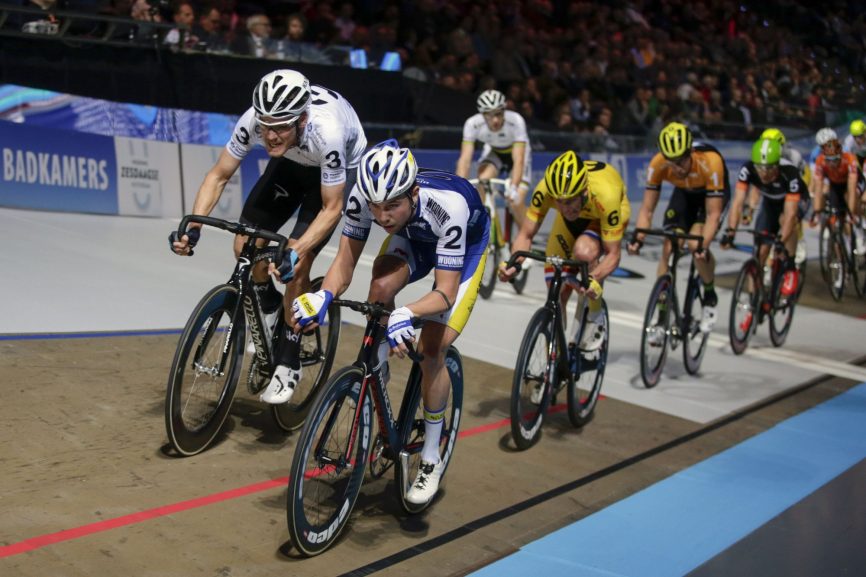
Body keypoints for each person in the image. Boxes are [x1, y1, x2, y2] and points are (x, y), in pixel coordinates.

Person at [291, 141, 489, 505]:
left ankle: (431, 455)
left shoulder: (449, 208)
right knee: (380, 287)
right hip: (415, 237)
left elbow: (444, 293)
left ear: (413, 193)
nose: (382, 217)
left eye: (392, 206)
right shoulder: (364, 197)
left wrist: (407, 312)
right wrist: (324, 296)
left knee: (432, 349)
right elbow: (345, 263)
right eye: (376, 207)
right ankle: (375, 371)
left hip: (463, 247)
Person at [170, 69, 367, 404]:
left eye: (280, 126)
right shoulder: (253, 121)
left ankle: (290, 359)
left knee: (296, 261)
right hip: (292, 163)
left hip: (333, 172)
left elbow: (332, 208)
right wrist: (194, 226)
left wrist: (296, 249)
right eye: (266, 126)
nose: (271, 135)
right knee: (244, 245)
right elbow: (218, 175)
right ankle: (270, 301)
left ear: (302, 119)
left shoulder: (327, 132)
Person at [500, 150, 630, 356]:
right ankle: (554, 364)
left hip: (600, 215)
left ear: (584, 191)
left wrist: (595, 279)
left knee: (584, 252)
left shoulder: (606, 193)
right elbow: (525, 234)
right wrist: (513, 264)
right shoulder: (547, 191)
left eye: (569, 201)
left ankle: (595, 314)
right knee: (556, 289)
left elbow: (613, 254)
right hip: (573, 222)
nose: (564, 207)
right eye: (558, 201)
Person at [627, 121, 730, 333]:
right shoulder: (658, 164)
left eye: (680, 161)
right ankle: (662, 315)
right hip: (684, 195)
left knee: (695, 245)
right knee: (669, 247)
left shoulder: (711, 162)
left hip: (709, 198)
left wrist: (703, 246)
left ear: (690, 151)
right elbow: (647, 210)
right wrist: (638, 239)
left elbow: (713, 214)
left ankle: (709, 295)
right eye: (670, 162)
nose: (676, 168)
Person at [721, 138, 808, 305]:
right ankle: (754, 301)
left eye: (769, 168)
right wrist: (730, 231)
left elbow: (790, 215)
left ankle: (790, 267)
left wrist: (781, 241)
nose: (764, 173)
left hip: (794, 201)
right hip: (770, 202)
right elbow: (738, 202)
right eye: (759, 168)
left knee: (786, 220)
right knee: (760, 252)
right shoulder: (748, 169)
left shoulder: (789, 173)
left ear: (777, 165)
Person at [456, 89, 532, 237]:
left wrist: (514, 187)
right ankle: (488, 228)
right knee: (482, 181)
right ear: (482, 114)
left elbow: (519, 159)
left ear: (504, 110)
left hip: (517, 153)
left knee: (515, 202)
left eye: (498, 113)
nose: (495, 120)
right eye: (489, 115)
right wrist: (459, 187)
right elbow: (465, 160)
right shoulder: (472, 124)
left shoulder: (516, 120)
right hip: (495, 151)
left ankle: (526, 239)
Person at [810, 127, 865, 254]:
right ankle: (844, 240)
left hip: (852, 181)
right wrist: (816, 212)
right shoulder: (819, 159)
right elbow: (817, 186)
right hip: (836, 183)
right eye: (829, 160)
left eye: (835, 159)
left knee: (850, 199)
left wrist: (852, 213)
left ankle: (859, 230)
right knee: (836, 213)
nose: (832, 163)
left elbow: (851, 187)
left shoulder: (848, 156)